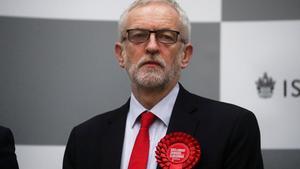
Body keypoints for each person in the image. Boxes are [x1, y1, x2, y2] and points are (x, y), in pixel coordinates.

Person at [63, 0, 264, 169]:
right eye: (138, 35)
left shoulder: (233, 127)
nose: (151, 47)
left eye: (166, 37)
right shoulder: (84, 139)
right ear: (120, 54)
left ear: (185, 55)